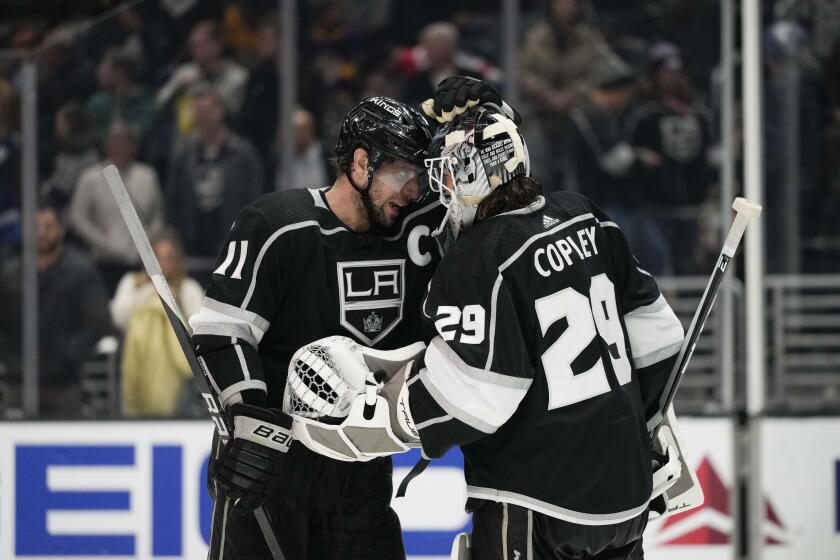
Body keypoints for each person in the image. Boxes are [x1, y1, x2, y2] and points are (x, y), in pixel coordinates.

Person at [291, 99, 687, 559]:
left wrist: (382, 415)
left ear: (479, 177)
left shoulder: (482, 253)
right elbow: (659, 339)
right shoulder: (584, 215)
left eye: (450, 175)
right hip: (627, 500)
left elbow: (476, 395)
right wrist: (649, 423)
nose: (441, 190)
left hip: (536, 502)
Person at [188, 95, 443, 559]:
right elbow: (222, 330)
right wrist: (249, 424)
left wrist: (488, 117)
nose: (414, 190)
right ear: (362, 163)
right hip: (275, 469)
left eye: (421, 178)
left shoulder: (421, 231)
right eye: (405, 174)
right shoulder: (277, 225)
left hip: (363, 471)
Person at [0, 203, 113, 418]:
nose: (42, 232)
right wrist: (9, 355)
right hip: (17, 381)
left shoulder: (80, 272)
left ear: (61, 229)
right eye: (36, 226)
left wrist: (71, 353)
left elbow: (99, 321)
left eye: (49, 226)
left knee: (63, 447)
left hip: (64, 384)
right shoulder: (10, 273)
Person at [165, 85, 263, 268]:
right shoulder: (184, 156)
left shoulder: (243, 154)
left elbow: (256, 199)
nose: (203, 117)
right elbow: (173, 201)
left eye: (208, 111)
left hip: (233, 248)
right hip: (192, 249)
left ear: (221, 111)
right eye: (199, 112)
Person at [116, 229, 204, 417]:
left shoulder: (189, 288)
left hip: (179, 372)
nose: (162, 265)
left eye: (168, 258)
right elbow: (118, 319)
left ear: (178, 261)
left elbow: (200, 329)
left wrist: (172, 298)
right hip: (136, 358)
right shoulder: (131, 283)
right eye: (157, 258)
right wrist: (148, 292)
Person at [68, 121, 164, 293]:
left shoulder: (147, 176)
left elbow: (157, 216)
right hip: (103, 262)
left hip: (140, 262)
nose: (120, 148)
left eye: (125, 142)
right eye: (115, 142)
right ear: (107, 145)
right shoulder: (90, 177)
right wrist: (103, 242)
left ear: (133, 146)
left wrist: (147, 244)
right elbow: (77, 217)